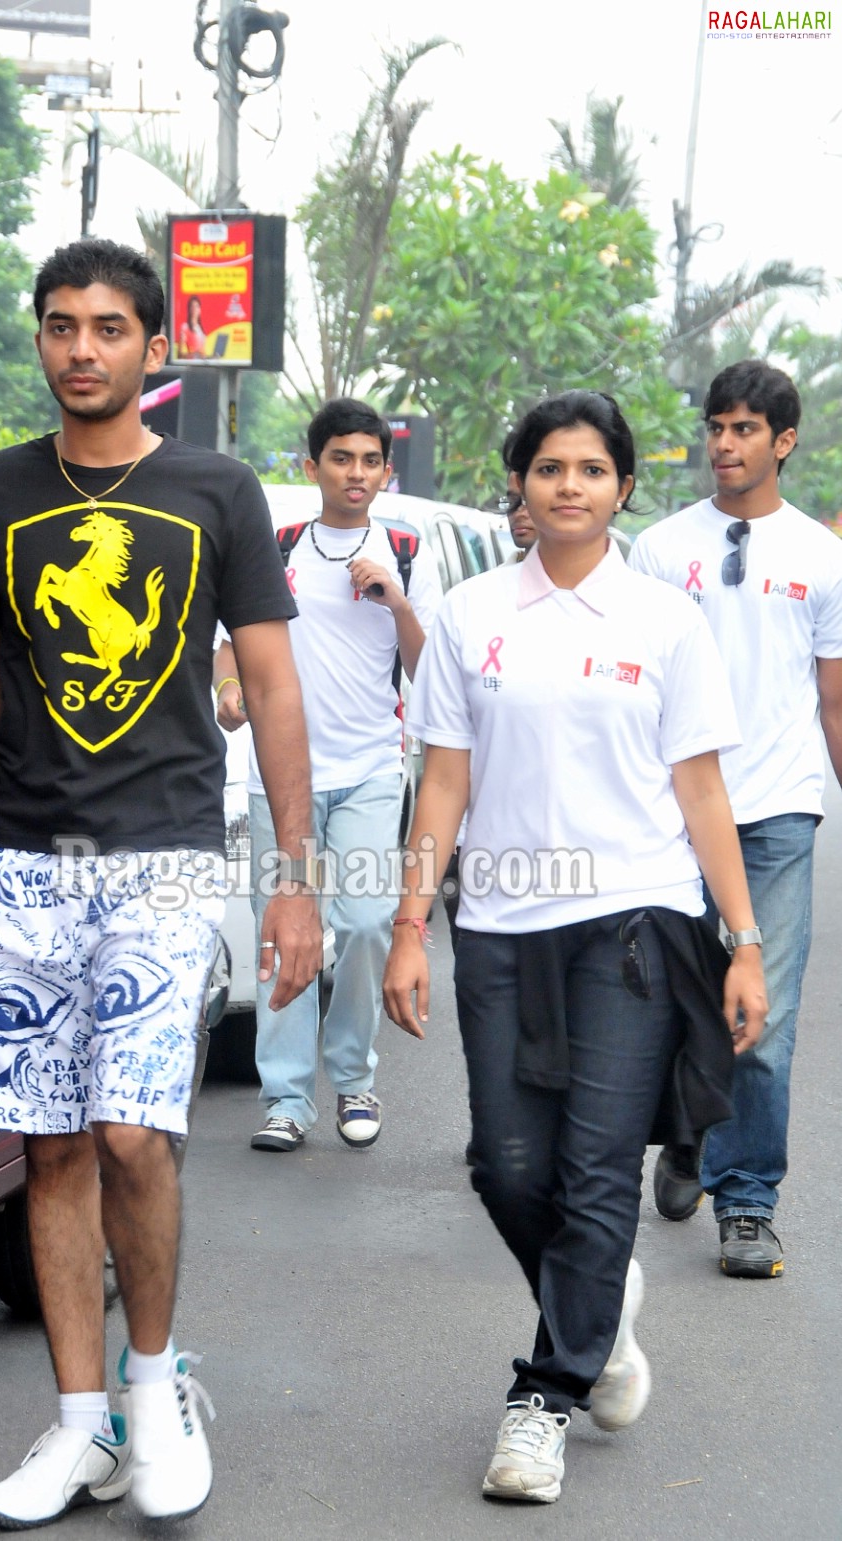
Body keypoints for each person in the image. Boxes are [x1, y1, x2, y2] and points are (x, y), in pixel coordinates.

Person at [0, 238, 322, 1530]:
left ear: (152, 351)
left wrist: (293, 880)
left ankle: (153, 1393)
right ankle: (76, 1423)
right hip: (16, 867)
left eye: (109, 327)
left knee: (131, 1135)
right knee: (48, 1147)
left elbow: (268, 685)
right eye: (60, 325)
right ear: (40, 340)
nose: (82, 347)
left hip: (157, 855)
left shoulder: (214, 490)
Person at [383, 389, 766, 1505]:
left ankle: (543, 1395)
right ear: (521, 484)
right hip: (499, 923)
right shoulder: (466, 614)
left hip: (635, 924)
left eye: (591, 469)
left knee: (599, 1171)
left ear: (623, 487)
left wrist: (739, 942)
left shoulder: (664, 622)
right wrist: (411, 924)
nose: (568, 486)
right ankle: (600, 1305)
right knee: (505, 1167)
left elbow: (702, 787)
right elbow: (442, 780)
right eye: (549, 467)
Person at [630, 359, 842, 1278]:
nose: (724, 443)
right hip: (668, 813)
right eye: (716, 426)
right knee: (679, 1007)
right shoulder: (657, 548)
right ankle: (689, 1140)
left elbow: (832, 700)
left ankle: (747, 1202)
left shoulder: (821, 556)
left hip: (777, 812)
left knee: (766, 1013)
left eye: (744, 428)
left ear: (782, 441)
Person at [215, 397, 442, 1152]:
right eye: (339, 458)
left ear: (385, 470)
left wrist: (396, 598)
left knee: (368, 920)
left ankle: (352, 1079)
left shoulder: (408, 547)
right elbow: (230, 644)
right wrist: (226, 690)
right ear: (312, 467)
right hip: (279, 776)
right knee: (281, 935)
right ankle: (285, 1097)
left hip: (372, 769)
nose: (355, 472)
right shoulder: (275, 545)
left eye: (369, 460)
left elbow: (426, 672)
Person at [177, 295, 207, 359]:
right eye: (192, 306)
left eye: (197, 306)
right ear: (189, 309)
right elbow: (180, 355)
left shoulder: (201, 329)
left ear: (200, 310)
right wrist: (194, 355)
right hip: (191, 364)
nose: (194, 309)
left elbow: (203, 352)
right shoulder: (185, 327)